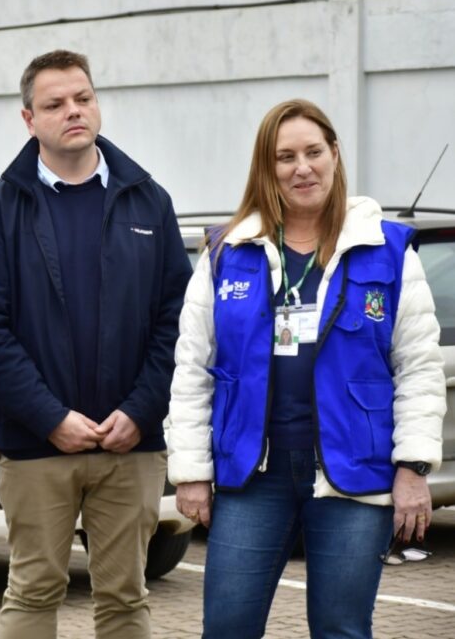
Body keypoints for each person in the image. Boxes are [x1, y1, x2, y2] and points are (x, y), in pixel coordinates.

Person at [167, 99, 446, 638]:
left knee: (341, 629)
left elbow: (418, 368)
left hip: (354, 473)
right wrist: (192, 471)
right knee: (226, 627)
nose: (302, 168)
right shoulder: (227, 252)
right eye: (285, 157)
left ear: (335, 154)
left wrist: (413, 468)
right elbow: (192, 369)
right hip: (253, 475)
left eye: (314, 152)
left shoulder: (387, 251)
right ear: (266, 167)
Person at [0, 49, 191, 639]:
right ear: (29, 119)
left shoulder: (148, 201)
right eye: (55, 104)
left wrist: (141, 411)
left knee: (127, 599)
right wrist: (50, 418)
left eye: (83, 98)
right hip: (36, 446)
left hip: (130, 445)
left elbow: (178, 321)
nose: (73, 111)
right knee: (33, 591)